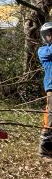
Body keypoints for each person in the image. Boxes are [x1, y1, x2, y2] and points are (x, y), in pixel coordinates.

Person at [38, 22, 52, 158]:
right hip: (51, 87)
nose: (51, 36)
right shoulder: (43, 51)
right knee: (51, 113)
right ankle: (45, 144)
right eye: (49, 34)